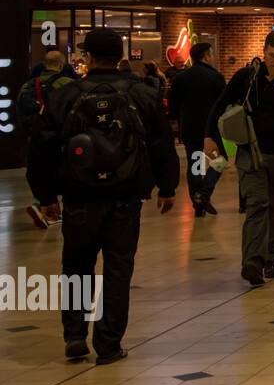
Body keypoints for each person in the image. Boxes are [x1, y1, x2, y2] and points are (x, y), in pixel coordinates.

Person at [27, 27, 178, 365]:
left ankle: (75, 334)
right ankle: (109, 343)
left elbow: (41, 148)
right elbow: (161, 143)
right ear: (120, 56)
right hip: (125, 196)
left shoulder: (65, 95)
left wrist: (45, 195)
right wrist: (168, 187)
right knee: (118, 268)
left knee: (77, 265)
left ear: (88, 58)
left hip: (79, 196)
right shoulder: (140, 94)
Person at [204, 30, 274, 287]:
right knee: (257, 204)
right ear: (264, 51)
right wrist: (209, 136)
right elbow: (220, 104)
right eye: (271, 55)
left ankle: (271, 258)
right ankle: (252, 262)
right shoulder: (247, 77)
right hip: (249, 153)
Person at [17, 49, 76, 229]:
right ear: (61, 65)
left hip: (36, 140)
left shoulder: (27, 86)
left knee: (39, 173)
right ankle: (63, 211)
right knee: (66, 174)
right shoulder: (69, 85)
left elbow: (20, 114)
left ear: (44, 65)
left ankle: (46, 207)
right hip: (62, 141)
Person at [167, 42, 227, 217]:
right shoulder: (215, 77)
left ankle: (197, 204)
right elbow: (223, 104)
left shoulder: (180, 78)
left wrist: (178, 120)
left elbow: (173, 106)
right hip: (210, 130)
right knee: (220, 159)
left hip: (189, 128)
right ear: (206, 56)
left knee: (195, 165)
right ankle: (205, 192)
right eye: (212, 54)